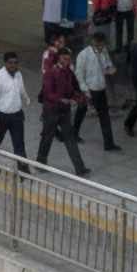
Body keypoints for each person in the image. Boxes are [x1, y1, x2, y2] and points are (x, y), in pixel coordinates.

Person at [36, 48, 90, 176]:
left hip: (64, 111)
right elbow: (48, 93)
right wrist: (61, 99)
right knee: (47, 138)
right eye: (64, 58)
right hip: (51, 111)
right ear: (59, 58)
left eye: (68, 59)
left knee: (70, 139)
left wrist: (80, 97)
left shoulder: (69, 72)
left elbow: (74, 89)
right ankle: (40, 163)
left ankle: (80, 168)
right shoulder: (50, 73)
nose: (67, 61)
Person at [74, 33, 121, 151]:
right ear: (93, 43)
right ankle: (74, 134)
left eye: (102, 45)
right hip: (88, 90)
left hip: (100, 88)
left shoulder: (104, 51)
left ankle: (109, 144)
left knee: (104, 116)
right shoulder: (83, 55)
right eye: (98, 46)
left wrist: (110, 69)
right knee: (81, 112)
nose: (100, 48)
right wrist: (85, 90)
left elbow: (107, 65)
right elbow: (79, 74)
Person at [0, 52, 31, 172]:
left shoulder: (18, 74)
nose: (13, 65)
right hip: (1, 116)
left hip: (17, 116)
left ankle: (23, 171)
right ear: (5, 63)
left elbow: (21, 89)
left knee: (19, 144)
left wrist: (26, 98)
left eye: (16, 63)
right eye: (10, 63)